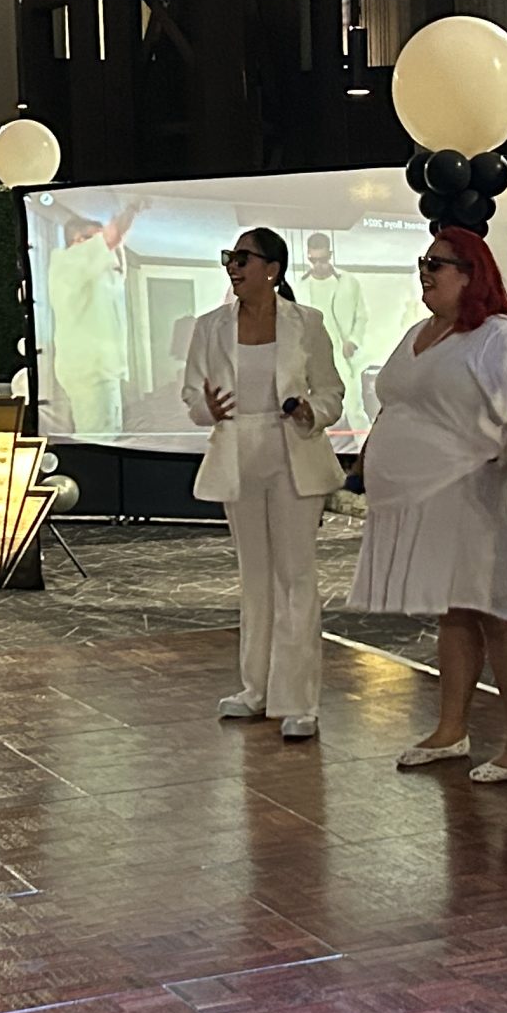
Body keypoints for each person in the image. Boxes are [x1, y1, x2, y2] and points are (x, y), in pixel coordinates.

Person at [347, 228, 507, 782]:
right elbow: (397, 403)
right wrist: (370, 457)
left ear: (471, 272)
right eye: (423, 262)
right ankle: (450, 729)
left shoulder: (500, 336)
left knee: (501, 614)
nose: (426, 272)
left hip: (485, 497)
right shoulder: (421, 331)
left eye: (438, 263)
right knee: (454, 611)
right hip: (435, 502)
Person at [182, 227, 347, 741]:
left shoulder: (307, 323)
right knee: (254, 575)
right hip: (238, 455)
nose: (233, 266)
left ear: (272, 268)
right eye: (229, 257)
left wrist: (311, 412)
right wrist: (203, 408)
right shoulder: (210, 327)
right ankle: (255, 689)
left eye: (243, 258)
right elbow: (193, 394)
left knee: (296, 575)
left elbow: (332, 393)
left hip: (292, 454)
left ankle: (299, 701)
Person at [47, 204, 136, 436]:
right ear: (77, 241)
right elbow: (112, 237)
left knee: (108, 435)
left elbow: (115, 253)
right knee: (97, 440)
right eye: (93, 239)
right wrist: (133, 206)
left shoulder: (96, 276)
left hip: (101, 372)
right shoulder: (66, 263)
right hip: (90, 373)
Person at [301, 232, 372, 426]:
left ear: (330, 255)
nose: (318, 265)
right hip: (312, 357)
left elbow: (361, 316)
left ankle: (362, 451)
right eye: (313, 260)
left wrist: (353, 341)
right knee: (318, 411)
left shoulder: (349, 282)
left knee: (354, 409)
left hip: (344, 355)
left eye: (322, 259)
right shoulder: (300, 286)